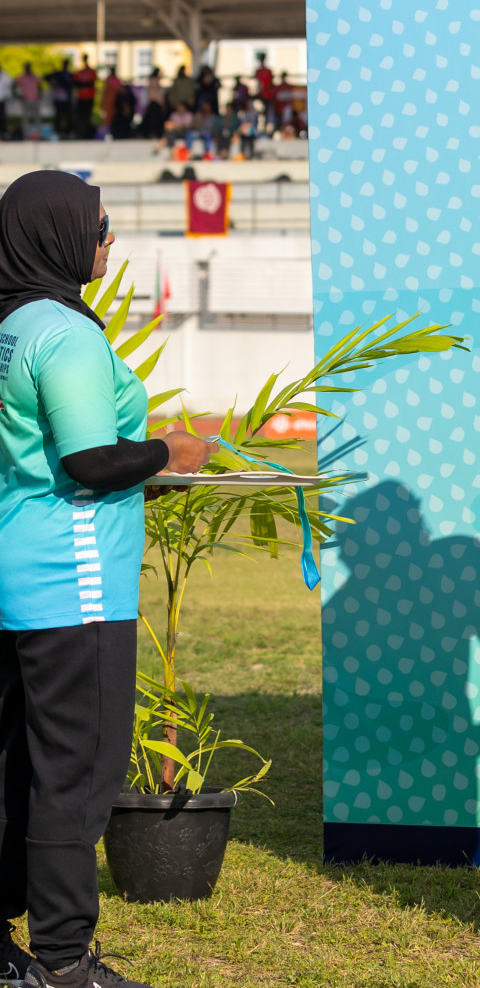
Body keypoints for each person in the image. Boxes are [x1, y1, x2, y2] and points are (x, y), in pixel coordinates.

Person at [0, 171, 213, 988]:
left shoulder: (11, 323)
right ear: (58, 233)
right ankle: (61, 961)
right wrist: (170, 453)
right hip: (74, 583)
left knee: (15, 768)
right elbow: (91, 463)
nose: (110, 238)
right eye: (101, 223)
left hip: (18, 574)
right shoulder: (66, 333)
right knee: (76, 780)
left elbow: (44, 454)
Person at [72, 56, 97, 139]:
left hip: (89, 97)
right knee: (81, 116)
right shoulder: (79, 72)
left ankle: (88, 133)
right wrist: (85, 84)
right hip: (81, 98)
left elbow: (92, 83)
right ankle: (80, 133)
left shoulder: (91, 71)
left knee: (88, 116)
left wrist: (83, 84)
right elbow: (76, 83)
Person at [14, 64, 41, 141]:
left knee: (37, 118)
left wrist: (39, 95)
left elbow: (40, 85)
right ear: (24, 68)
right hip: (25, 100)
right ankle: (26, 136)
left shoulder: (34, 76)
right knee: (25, 119)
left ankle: (38, 135)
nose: (28, 69)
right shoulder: (22, 77)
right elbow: (14, 85)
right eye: (26, 68)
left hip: (35, 100)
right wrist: (18, 96)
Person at [140, 68, 166, 141]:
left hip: (157, 104)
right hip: (153, 104)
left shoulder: (157, 85)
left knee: (157, 120)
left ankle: (155, 133)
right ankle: (152, 133)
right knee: (153, 120)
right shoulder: (153, 82)